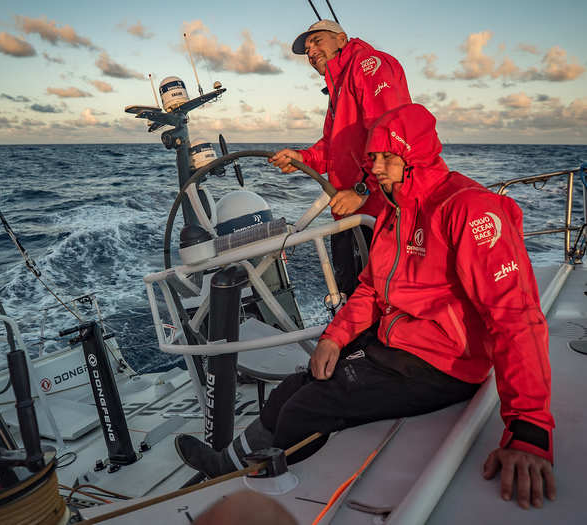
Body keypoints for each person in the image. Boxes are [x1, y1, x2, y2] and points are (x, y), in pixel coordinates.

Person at [176, 103, 556, 510]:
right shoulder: (395, 211)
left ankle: (257, 497)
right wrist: (334, 339)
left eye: (387, 157)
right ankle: (225, 466)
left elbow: (515, 316)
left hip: (445, 364)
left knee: (306, 409)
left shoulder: (469, 210)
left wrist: (529, 429)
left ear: (415, 156)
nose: (375, 167)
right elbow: (371, 290)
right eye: (373, 157)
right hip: (398, 346)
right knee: (291, 387)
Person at [268, 19, 411, 297]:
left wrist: (362, 190)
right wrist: (300, 157)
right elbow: (333, 148)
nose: (310, 52)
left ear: (342, 40)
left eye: (317, 41)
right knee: (351, 298)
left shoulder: (369, 65)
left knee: (383, 302)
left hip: (381, 213)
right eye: (307, 48)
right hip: (352, 213)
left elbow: (390, 134)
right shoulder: (339, 87)